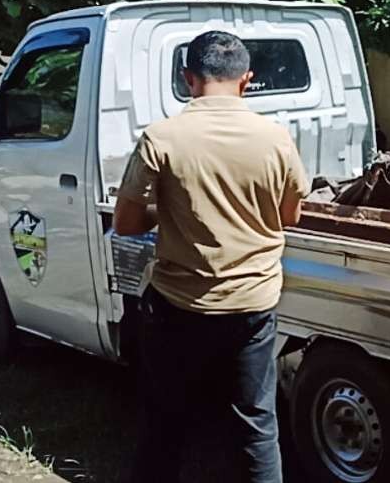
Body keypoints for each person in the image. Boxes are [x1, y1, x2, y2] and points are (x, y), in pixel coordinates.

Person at [114, 31, 308, 483]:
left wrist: (171, 213)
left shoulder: (161, 138)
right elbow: (290, 215)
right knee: (257, 426)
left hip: (179, 306)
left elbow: (125, 223)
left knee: (165, 423)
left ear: (188, 79)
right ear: (247, 79)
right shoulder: (275, 138)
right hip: (253, 306)